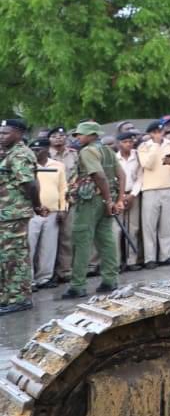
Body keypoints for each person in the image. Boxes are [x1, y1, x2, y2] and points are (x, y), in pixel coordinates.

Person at [63, 122, 121, 299]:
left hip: (90, 201)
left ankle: (77, 285)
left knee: (81, 240)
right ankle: (110, 280)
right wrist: (115, 200)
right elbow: (122, 174)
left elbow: (99, 175)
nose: (77, 137)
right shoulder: (107, 150)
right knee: (106, 239)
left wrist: (108, 200)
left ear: (91, 135)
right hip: (105, 199)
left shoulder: (87, 151)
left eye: (81, 134)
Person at [0, 119, 44, 314]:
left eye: (5, 133)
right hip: (6, 214)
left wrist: (36, 206)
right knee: (5, 257)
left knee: (16, 257)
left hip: (15, 214)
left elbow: (30, 184)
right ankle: (7, 297)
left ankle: (20, 298)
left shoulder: (19, 154)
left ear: (19, 133)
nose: (1, 136)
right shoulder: (8, 153)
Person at [138, 119, 170, 265]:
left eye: (161, 132)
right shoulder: (144, 146)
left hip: (168, 187)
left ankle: (165, 256)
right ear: (150, 134)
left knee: (167, 225)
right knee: (150, 226)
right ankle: (150, 258)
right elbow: (147, 165)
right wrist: (155, 146)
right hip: (150, 189)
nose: (159, 134)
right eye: (155, 132)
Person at [28, 139, 64, 288]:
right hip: (32, 212)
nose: (36, 153)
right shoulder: (27, 165)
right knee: (30, 247)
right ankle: (28, 281)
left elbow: (63, 188)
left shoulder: (58, 165)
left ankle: (44, 278)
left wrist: (63, 208)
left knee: (48, 248)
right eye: (34, 150)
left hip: (52, 211)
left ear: (47, 149)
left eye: (39, 150)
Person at [46, 125, 76, 285]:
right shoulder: (43, 154)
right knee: (47, 240)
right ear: (49, 139)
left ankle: (65, 271)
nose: (59, 138)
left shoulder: (73, 155)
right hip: (48, 202)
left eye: (62, 135)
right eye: (54, 136)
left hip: (69, 200)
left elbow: (77, 175)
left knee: (66, 237)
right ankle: (47, 274)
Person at [114, 128, 143, 271]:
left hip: (134, 195)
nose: (128, 144)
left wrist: (132, 195)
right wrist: (121, 196)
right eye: (125, 142)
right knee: (117, 230)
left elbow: (140, 177)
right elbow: (114, 179)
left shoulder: (137, 156)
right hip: (118, 196)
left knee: (133, 229)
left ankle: (132, 260)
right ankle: (118, 262)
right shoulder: (114, 158)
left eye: (130, 142)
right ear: (119, 144)